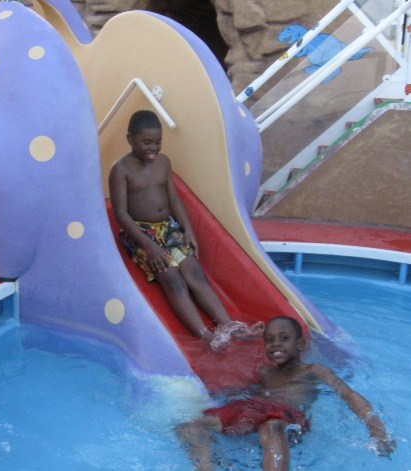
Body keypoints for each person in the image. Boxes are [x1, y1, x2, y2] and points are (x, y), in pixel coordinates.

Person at [108, 110, 264, 349]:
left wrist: (188, 229)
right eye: (147, 142)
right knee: (173, 280)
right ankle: (207, 336)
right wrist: (149, 246)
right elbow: (121, 214)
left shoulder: (163, 163)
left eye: (158, 142)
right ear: (130, 139)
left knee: (194, 273)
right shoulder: (121, 170)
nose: (154, 147)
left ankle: (231, 328)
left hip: (168, 229)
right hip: (141, 235)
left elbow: (175, 201)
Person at [177, 316, 396, 471]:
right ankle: (205, 467)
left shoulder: (314, 371)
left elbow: (350, 395)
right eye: (270, 339)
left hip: (285, 418)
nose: (275, 344)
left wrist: (377, 429)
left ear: (300, 344)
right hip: (253, 409)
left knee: (272, 428)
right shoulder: (264, 371)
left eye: (284, 338)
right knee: (189, 427)